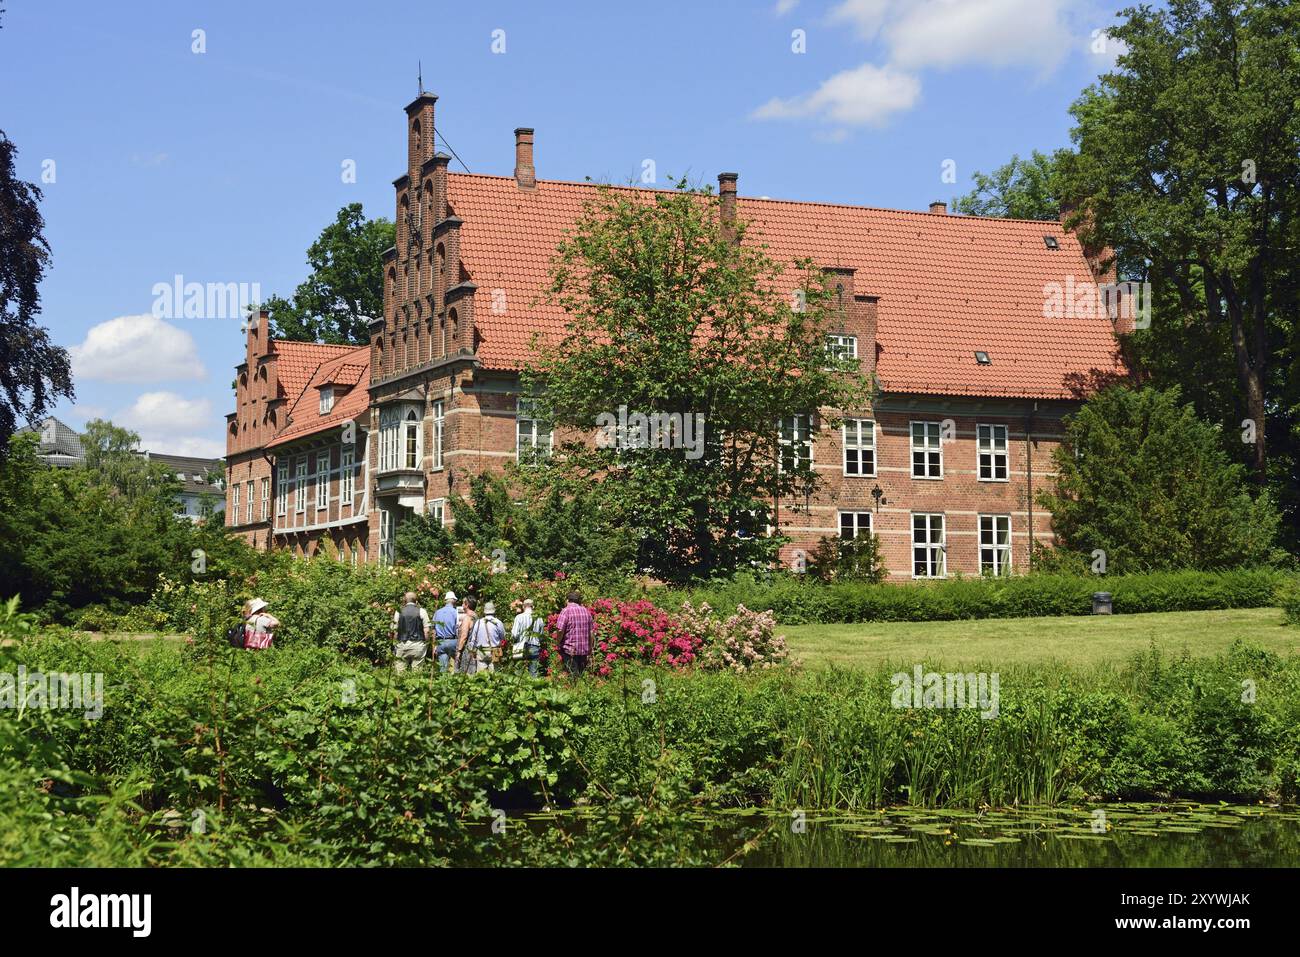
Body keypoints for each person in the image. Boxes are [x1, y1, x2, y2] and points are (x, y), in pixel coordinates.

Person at [554, 591, 593, 677]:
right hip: (583, 650)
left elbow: (560, 630)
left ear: (567, 600)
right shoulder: (586, 611)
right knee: (580, 674)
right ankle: (580, 689)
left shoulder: (566, 611)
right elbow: (591, 632)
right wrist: (590, 648)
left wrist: (557, 642)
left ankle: (574, 689)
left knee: (573, 676)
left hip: (570, 650)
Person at [390, 591, 431, 672]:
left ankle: (400, 684)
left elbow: (395, 631)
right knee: (417, 672)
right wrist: (426, 644)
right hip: (418, 644)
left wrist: (395, 643)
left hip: (402, 644)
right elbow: (427, 631)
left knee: (400, 672)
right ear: (416, 601)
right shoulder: (422, 611)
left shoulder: (398, 611)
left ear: (405, 600)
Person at [468, 602, 506, 674]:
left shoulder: (478, 622)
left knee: (481, 676)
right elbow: (503, 637)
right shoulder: (498, 622)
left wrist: (472, 651)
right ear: (494, 611)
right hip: (495, 652)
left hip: (481, 651)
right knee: (494, 675)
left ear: (484, 611)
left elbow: (473, 639)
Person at [511, 599, 546, 677]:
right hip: (534, 645)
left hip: (520, 645)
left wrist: (515, 640)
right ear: (533, 606)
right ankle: (534, 688)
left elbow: (514, 634)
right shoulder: (539, 618)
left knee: (518, 671)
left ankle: (518, 688)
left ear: (523, 606)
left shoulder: (519, 617)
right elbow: (541, 635)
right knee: (533, 672)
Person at [433, 591, 460, 672]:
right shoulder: (456, 612)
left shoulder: (437, 612)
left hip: (440, 642)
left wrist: (434, 645)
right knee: (456, 667)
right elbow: (458, 629)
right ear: (454, 601)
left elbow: (433, 630)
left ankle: (442, 683)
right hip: (452, 641)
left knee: (443, 668)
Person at [453, 597, 478, 674]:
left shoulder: (467, 618)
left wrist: (459, 651)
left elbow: (464, 636)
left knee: (464, 672)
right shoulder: (476, 617)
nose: (462, 605)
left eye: (463, 603)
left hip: (466, 650)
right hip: (474, 648)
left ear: (467, 605)